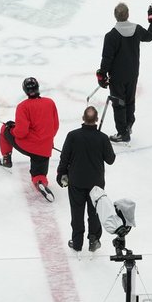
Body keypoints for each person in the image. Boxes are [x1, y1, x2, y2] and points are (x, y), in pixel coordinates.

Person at [96, 2, 152, 143]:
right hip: (132, 74)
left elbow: (107, 58)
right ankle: (128, 125)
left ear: (115, 16)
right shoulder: (136, 29)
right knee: (130, 100)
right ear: (128, 14)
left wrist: (101, 75)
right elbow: (149, 36)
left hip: (117, 77)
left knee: (119, 104)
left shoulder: (111, 36)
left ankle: (123, 132)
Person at [57, 106, 116, 252]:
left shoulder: (72, 136)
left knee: (77, 212)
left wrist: (61, 174)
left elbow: (64, 158)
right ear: (96, 119)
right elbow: (110, 159)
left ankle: (77, 242)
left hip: (76, 180)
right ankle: (94, 240)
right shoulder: (102, 138)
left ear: (83, 118)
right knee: (94, 212)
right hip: (95, 183)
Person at [0, 77, 60, 202]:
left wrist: (12, 128)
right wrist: (48, 140)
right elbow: (55, 125)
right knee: (38, 174)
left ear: (25, 90)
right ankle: (40, 182)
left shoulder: (23, 106)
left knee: (4, 129)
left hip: (29, 145)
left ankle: (6, 159)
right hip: (45, 148)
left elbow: (21, 132)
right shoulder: (50, 103)